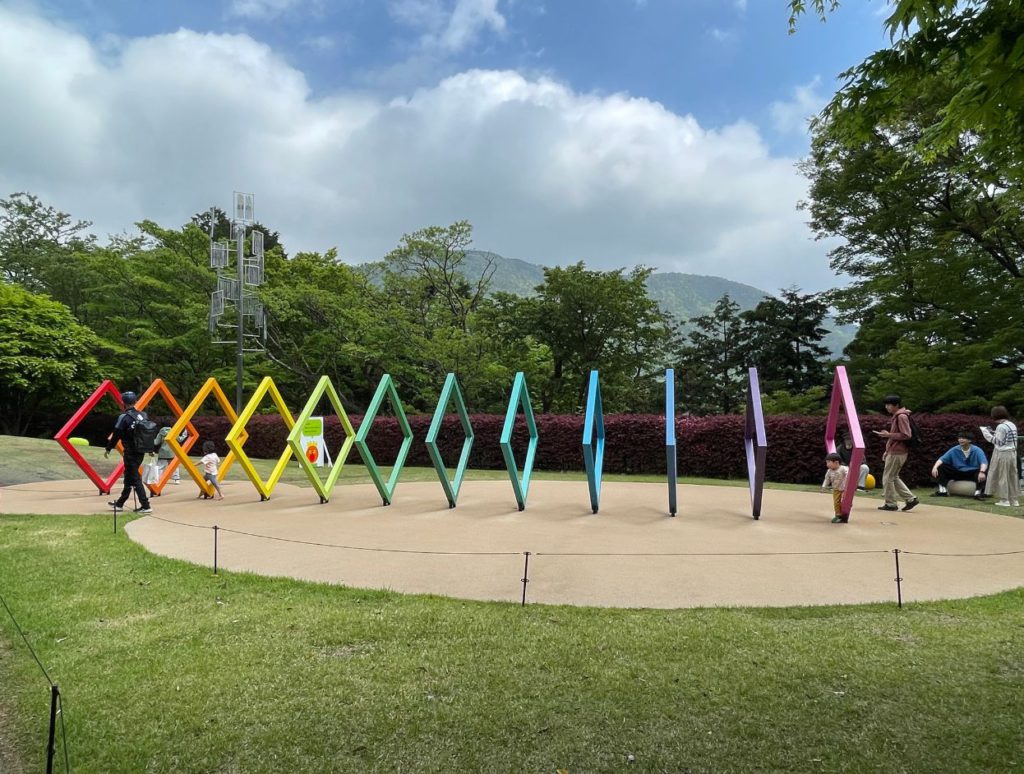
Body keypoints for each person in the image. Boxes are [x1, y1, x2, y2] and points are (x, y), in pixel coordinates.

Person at [104, 390, 153, 515]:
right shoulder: (143, 415)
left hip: (130, 452)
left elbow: (116, 435)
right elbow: (147, 433)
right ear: (135, 401)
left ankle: (146, 506)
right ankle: (120, 503)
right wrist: (150, 449)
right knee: (129, 475)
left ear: (123, 402)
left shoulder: (124, 417)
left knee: (135, 478)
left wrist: (109, 448)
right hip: (141, 451)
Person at [872, 394, 919, 512]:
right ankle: (910, 499)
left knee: (887, 478)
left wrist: (888, 435)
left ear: (896, 405)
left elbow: (906, 435)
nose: (887, 407)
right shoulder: (900, 415)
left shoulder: (901, 416)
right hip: (896, 451)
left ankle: (891, 504)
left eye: (889, 405)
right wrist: (887, 450)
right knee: (893, 477)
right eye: (886, 404)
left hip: (898, 451)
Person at [930, 430, 988, 499]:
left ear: (969, 440)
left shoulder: (977, 450)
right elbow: (941, 459)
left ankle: (978, 494)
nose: (960, 440)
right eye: (959, 438)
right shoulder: (954, 449)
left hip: (972, 473)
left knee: (983, 471)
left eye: (963, 438)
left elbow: (984, 462)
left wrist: (982, 472)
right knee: (941, 467)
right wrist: (935, 467)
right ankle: (943, 491)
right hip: (958, 472)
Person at [981, 406, 1019, 507]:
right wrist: (993, 433)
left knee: (1002, 476)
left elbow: (998, 442)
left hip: (1003, 454)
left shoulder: (1001, 427)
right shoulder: (1011, 424)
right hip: (1012, 453)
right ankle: (1014, 500)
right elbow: (1006, 437)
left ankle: (1004, 500)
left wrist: (986, 433)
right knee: (1012, 476)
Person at [821, 452, 849, 523]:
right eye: (826, 462)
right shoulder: (829, 471)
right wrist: (824, 487)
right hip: (836, 489)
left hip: (845, 490)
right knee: (836, 502)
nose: (827, 465)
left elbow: (848, 473)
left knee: (845, 501)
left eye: (829, 462)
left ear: (836, 462)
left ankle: (845, 512)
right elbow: (827, 479)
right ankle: (838, 515)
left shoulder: (843, 468)